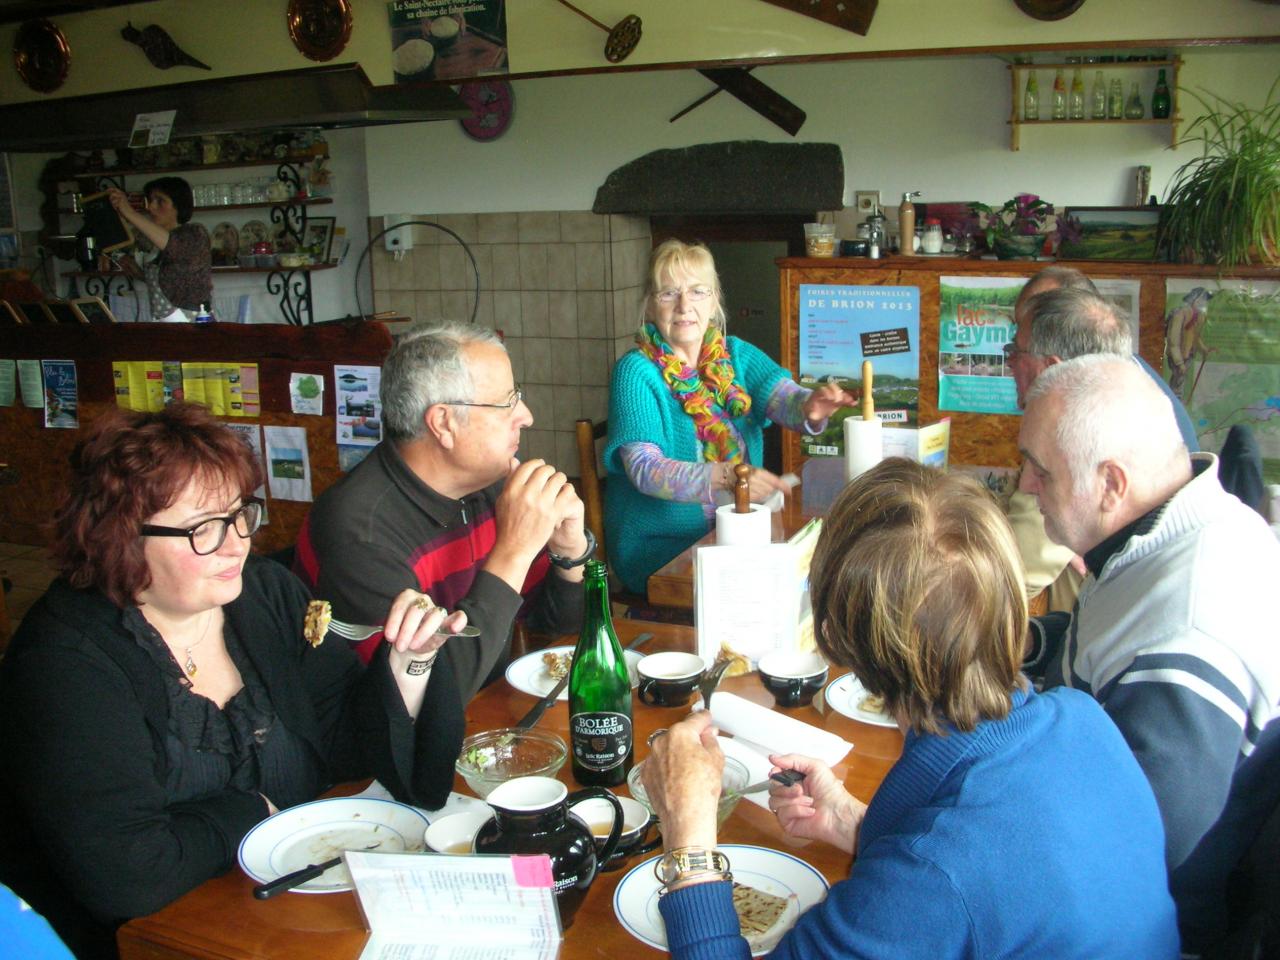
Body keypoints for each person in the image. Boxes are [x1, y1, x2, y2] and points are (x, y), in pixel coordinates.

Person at [642, 458, 1179, 959]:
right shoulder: (1083, 719)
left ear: (831, 638)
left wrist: (689, 833)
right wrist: (863, 825)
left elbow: (946, 879)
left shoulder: (929, 876)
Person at [0, 404, 459, 959]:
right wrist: (252, 813)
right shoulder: (68, 665)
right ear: (119, 537)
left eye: (241, 514)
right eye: (203, 529)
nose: (237, 542)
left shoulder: (265, 597)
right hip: (159, 941)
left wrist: (410, 662)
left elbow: (345, 750)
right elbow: (126, 876)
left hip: (291, 915)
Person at [1018, 355, 1280, 953]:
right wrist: (1030, 642)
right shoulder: (1175, 525)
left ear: (1112, 483)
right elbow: (1109, 647)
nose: (1025, 484)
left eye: (1040, 470)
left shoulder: (1184, 634)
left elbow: (1136, 848)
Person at [294, 321, 587, 798]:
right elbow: (430, 697)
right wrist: (512, 553)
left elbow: (558, 634)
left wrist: (569, 552)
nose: (527, 416)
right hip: (379, 784)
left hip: (488, 736)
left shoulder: (489, 485)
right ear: (444, 423)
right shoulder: (360, 535)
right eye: (508, 402)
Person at [604, 239, 857, 593]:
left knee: (818, 576)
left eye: (697, 291)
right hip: (664, 549)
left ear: (714, 301)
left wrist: (809, 405)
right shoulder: (635, 372)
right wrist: (729, 477)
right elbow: (646, 470)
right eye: (668, 294)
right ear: (649, 306)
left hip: (737, 531)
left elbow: (781, 397)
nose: (684, 306)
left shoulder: (736, 355)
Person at [1004, 269, 1199, 611]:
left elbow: (1015, 570)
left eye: (1016, 351)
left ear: (1050, 368)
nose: (1009, 363)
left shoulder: (1083, 428)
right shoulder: (1128, 386)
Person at [107, 177, 212, 320]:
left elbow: (172, 245)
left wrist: (130, 213)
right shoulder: (149, 241)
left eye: (160, 201)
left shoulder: (194, 234)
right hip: (162, 318)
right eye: (150, 201)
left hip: (192, 319)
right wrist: (137, 272)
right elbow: (169, 277)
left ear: (178, 205)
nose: (150, 207)